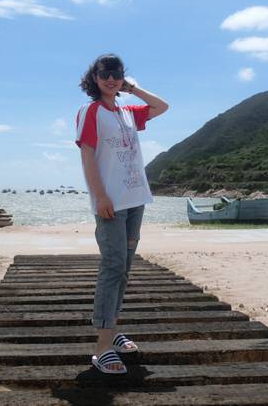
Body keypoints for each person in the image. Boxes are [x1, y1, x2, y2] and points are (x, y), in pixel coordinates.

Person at [75, 53, 169, 374]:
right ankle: (102, 348)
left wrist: (132, 89)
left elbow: (161, 106)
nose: (111, 79)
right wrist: (100, 195)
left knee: (124, 269)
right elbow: (87, 155)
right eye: (105, 74)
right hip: (111, 203)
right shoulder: (91, 111)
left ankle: (112, 330)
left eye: (116, 73)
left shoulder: (126, 112)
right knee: (113, 266)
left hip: (135, 199)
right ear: (95, 77)